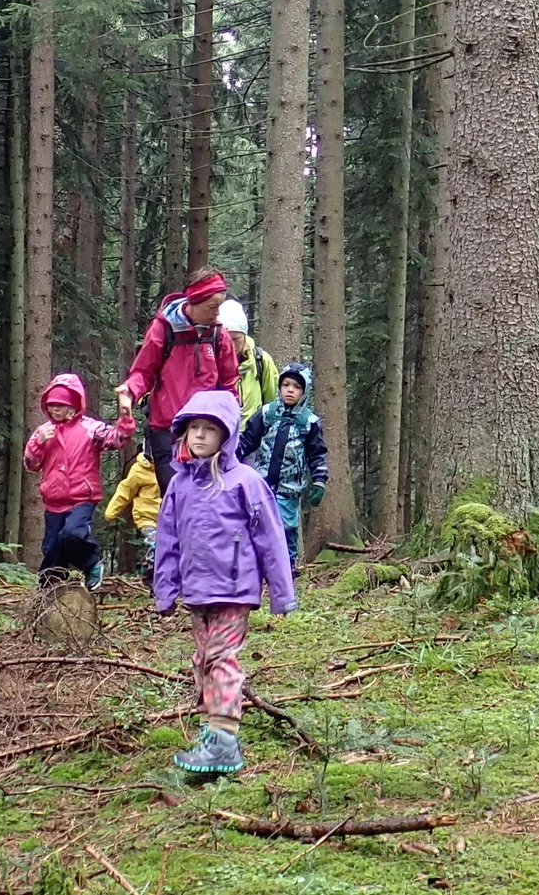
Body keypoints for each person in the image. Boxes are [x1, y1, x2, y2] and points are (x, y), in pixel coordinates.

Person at [154, 390, 296, 775]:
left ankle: (225, 741)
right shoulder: (179, 486)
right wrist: (165, 589)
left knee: (221, 658)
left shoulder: (244, 482)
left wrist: (282, 593)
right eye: (192, 429)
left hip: (235, 589)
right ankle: (210, 731)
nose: (199, 436)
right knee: (202, 660)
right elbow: (168, 540)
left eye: (209, 429)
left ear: (227, 435)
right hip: (197, 592)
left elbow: (270, 536)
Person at [120, 268, 239, 497]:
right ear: (195, 301)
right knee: (174, 493)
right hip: (166, 427)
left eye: (219, 308)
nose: (216, 314)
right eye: (212, 307)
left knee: (205, 496)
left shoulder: (218, 334)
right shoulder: (164, 329)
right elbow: (143, 372)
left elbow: (230, 383)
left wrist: (231, 424)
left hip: (205, 427)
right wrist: (129, 392)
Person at [24, 373, 135, 589]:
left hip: (82, 498)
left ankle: (91, 563)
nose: (55, 409)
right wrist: (38, 443)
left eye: (61, 404)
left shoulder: (90, 428)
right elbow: (31, 464)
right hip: (54, 501)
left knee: (73, 534)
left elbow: (117, 438)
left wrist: (126, 418)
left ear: (73, 405)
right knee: (51, 548)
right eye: (52, 404)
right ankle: (49, 588)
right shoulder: (43, 432)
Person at [238, 363, 328, 574]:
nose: (289, 390)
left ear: (304, 392)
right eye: (285, 384)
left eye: (296, 386)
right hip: (262, 483)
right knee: (256, 521)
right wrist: (230, 458)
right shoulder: (267, 413)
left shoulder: (309, 422)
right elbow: (248, 440)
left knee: (286, 525)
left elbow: (317, 454)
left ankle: (287, 566)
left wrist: (319, 481)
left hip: (289, 486)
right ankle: (255, 565)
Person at [105, 442, 162, 583]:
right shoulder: (139, 469)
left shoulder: (169, 467)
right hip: (147, 518)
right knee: (155, 543)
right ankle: (150, 574)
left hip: (168, 518)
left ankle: (149, 566)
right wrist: (111, 511)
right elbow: (125, 490)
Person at [218, 298, 279, 422]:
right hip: (220, 434)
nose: (231, 345)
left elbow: (273, 403)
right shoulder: (210, 364)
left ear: (245, 336)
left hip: (253, 437)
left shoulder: (261, 360)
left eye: (236, 339)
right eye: (226, 339)